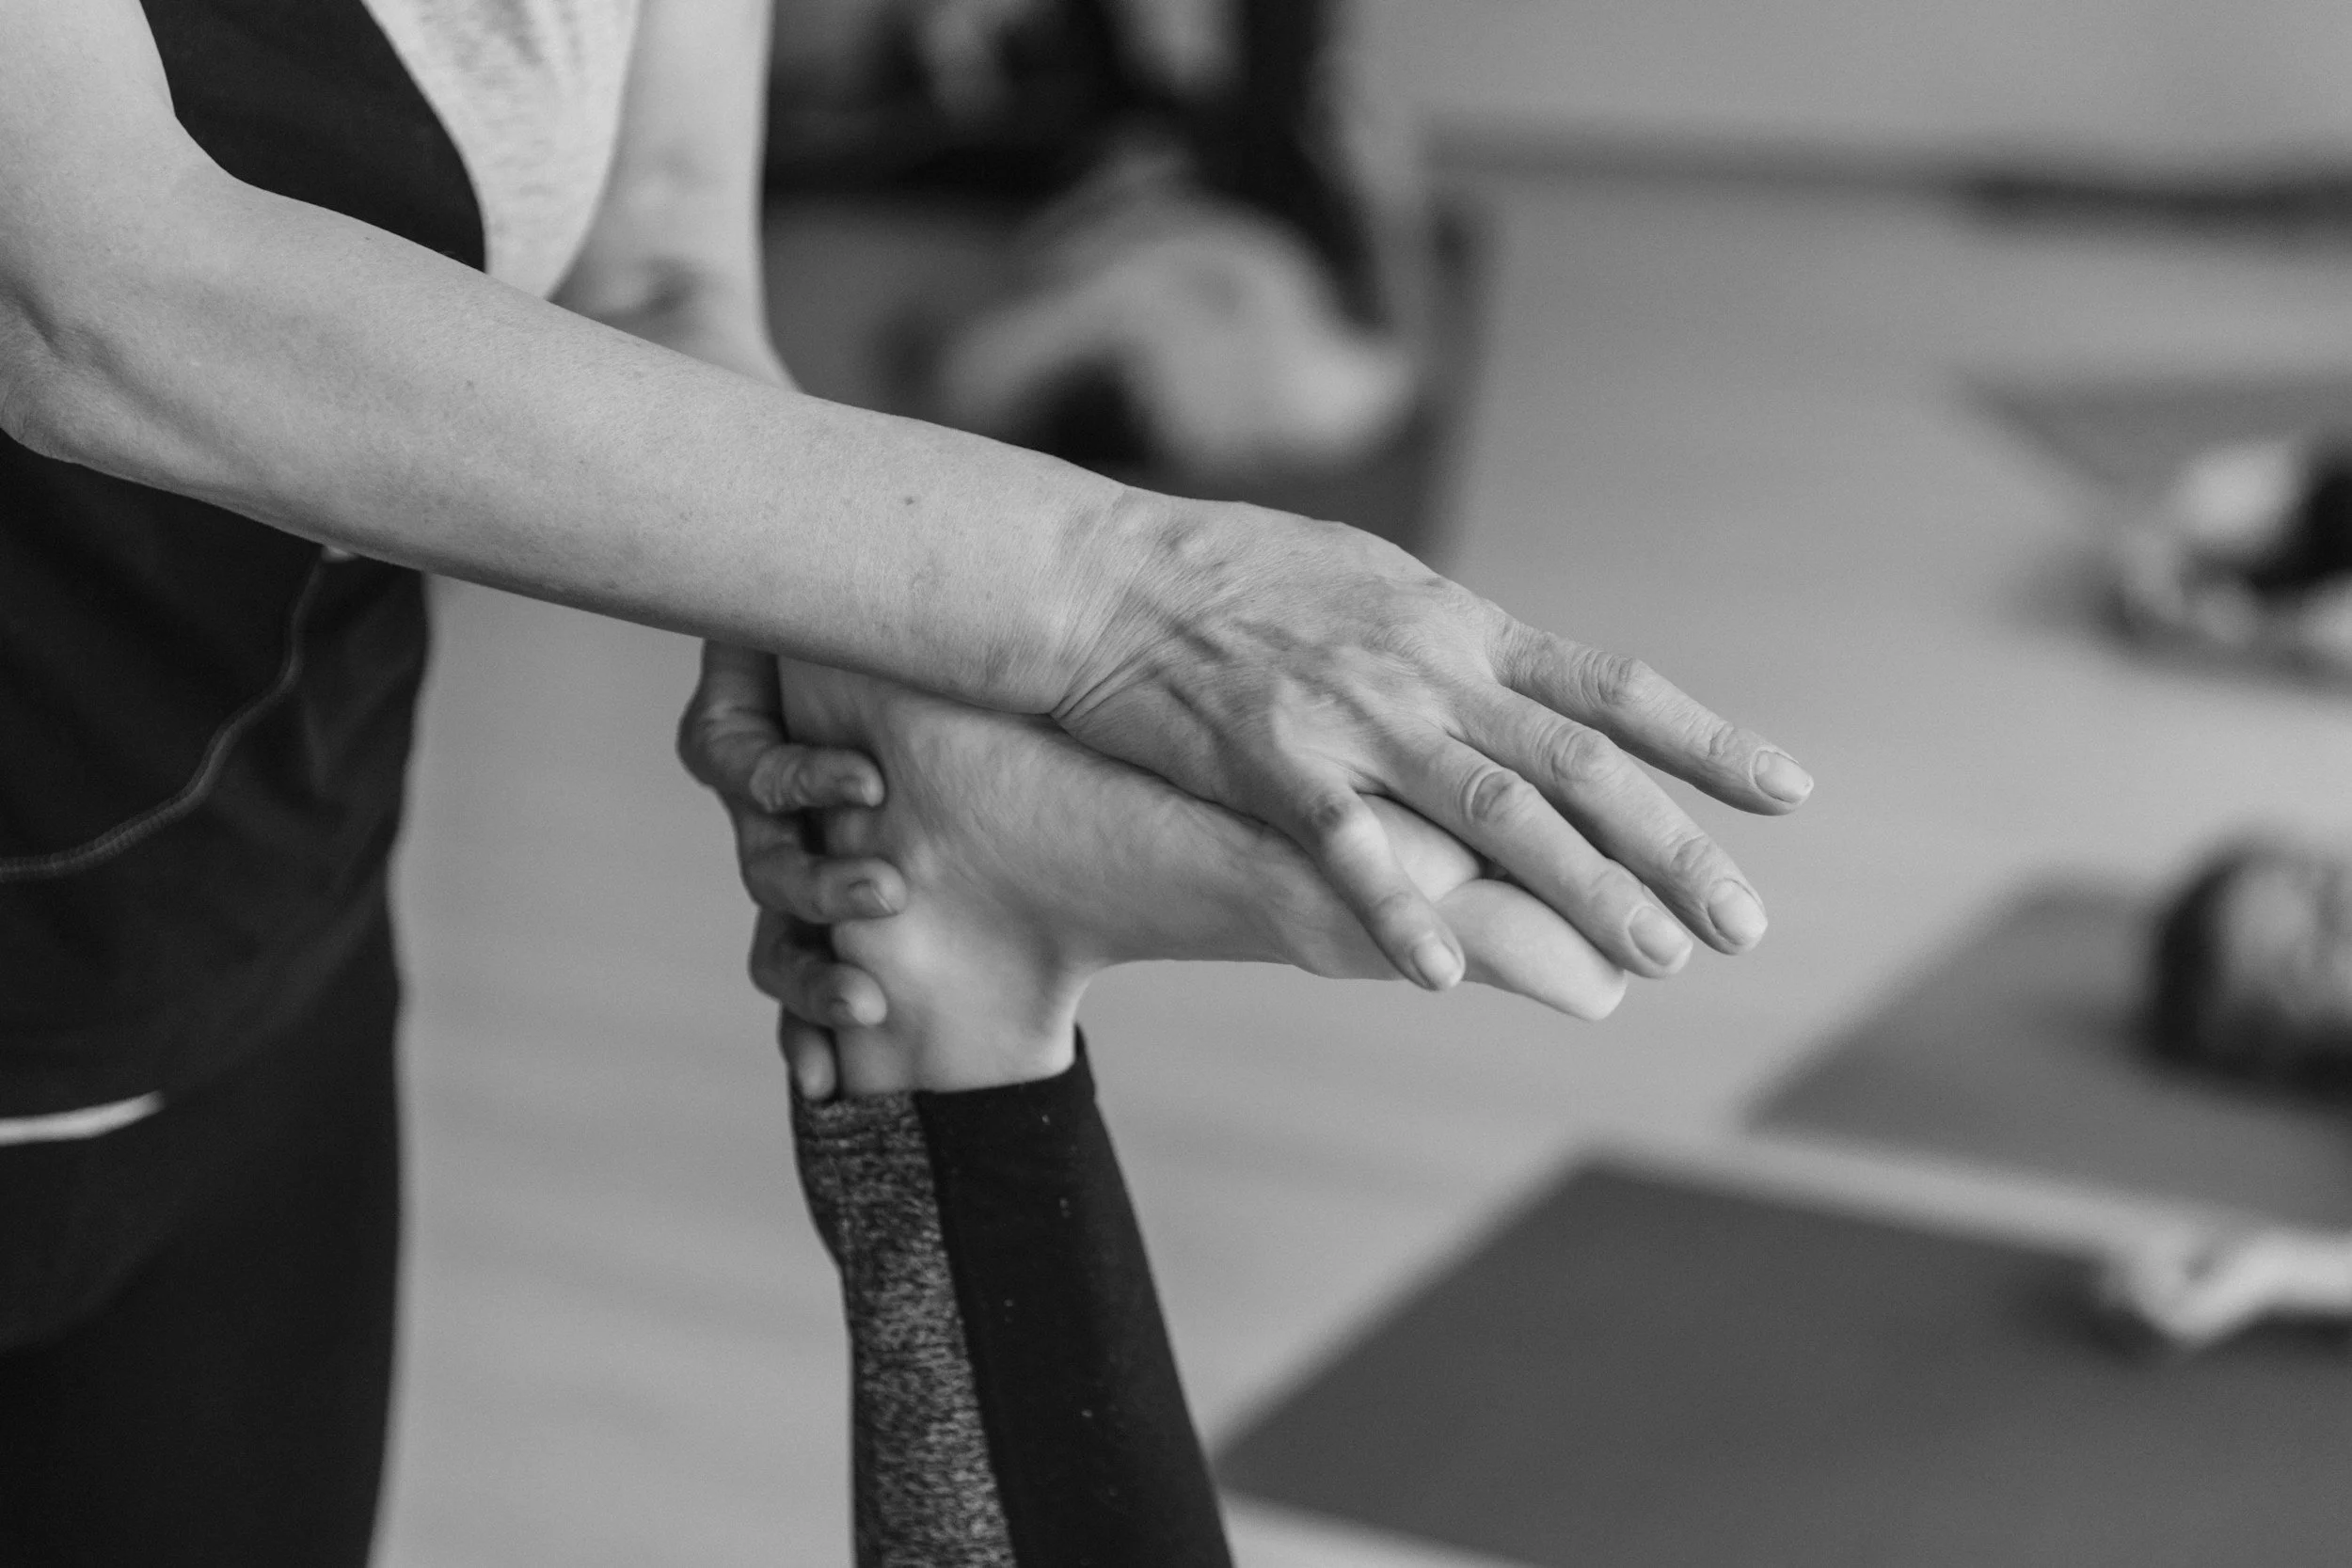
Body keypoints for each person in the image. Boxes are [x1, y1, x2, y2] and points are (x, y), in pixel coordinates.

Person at [0, 0, 1809, 1561]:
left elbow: (659, 275)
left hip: (247, 952)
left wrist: (898, 716)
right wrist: (1108, 593)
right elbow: (90, 294)